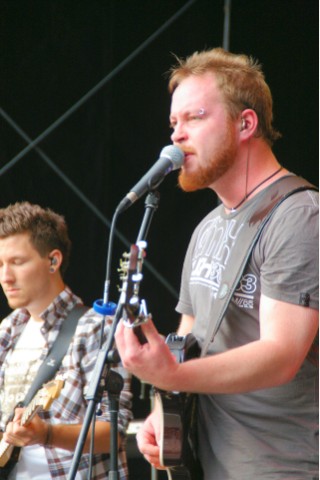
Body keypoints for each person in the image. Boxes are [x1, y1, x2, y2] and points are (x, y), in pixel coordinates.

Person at [115, 47, 319, 479]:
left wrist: (171, 376)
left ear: (246, 123)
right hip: (207, 461)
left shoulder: (300, 215)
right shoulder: (208, 227)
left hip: (278, 466)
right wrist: (162, 406)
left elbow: (282, 354)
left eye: (195, 117)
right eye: (174, 123)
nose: (176, 136)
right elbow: (189, 339)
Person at [0, 202, 132, 480]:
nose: (5, 277)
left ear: (53, 261)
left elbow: (114, 432)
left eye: (17, 262)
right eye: (0, 264)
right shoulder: (8, 330)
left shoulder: (96, 327)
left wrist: (46, 434)